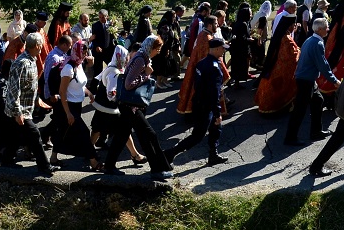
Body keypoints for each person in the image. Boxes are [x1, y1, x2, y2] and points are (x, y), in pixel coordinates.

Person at [103, 36, 174, 180]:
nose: (158, 52)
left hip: (128, 106)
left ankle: (109, 166)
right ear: (151, 48)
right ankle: (158, 169)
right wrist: (146, 76)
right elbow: (129, 83)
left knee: (122, 136)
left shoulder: (141, 57)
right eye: (157, 48)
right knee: (149, 135)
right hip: (132, 106)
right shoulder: (141, 59)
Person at [164, 38, 230, 166]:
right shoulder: (215, 68)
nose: (224, 50)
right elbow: (214, 93)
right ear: (216, 49)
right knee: (198, 136)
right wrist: (217, 113)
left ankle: (213, 155)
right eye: (222, 48)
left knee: (216, 129)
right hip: (207, 106)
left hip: (199, 102)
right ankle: (170, 153)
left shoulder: (201, 63)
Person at [3, 33, 61, 176]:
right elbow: (13, 89)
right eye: (41, 45)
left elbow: (31, 85)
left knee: (17, 136)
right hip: (20, 110)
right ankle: (44, 167)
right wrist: (18, 112)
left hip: (27, 108)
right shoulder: (21, 63)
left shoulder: (32, 60)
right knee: (35, 134)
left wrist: (38, 100)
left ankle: (6, 160)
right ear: (36, 46)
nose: (42, 47)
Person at [286, 18, 341, 145]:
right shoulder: (317, 43)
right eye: (326, 27)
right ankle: (290, 138)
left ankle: (316, 131)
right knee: (300, 110)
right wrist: (334, 80)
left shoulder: (310, 39)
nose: (328, 29)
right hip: (306, 79)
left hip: (307, 78)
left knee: (318, 100)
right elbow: (323, 65)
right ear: (320, 29)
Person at [49, 40, 101, 171]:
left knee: (62, 131)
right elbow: (62, 91)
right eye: (82, 52)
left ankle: (53, 158)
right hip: (68, 106)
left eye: (85, 52)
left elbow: (80, 84)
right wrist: (68, 113)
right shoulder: (68, 68)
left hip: (77, 105)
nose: (84, 55)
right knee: (84, 132)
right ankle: (94, 161)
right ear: (76, 51)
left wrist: (89, 93)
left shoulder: (79, 64)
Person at [255, 16, 300, 115]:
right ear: (289, 26)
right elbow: (291, 56)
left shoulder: (281, 35)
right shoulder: (286, 38)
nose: (295, 26)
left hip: (274, 65)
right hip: (282, 67)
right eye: (294, 25)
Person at [229, 6, 253, 84]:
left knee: (236, 66)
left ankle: (236, 83)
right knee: (240, 66)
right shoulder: (243, 24)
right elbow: (242, 38)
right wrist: (249, 39)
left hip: (235, 48)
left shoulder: (236, 23)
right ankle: (237, 84)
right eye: (250, 14)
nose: (251, 16)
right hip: (241, 49)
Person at [90, 10, 112, 76]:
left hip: (108, 51)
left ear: (107, 17)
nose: (101, 19)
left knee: (111, 67)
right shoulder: (95, 25)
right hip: (98, 51)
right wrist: (97, 46)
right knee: (98, 70)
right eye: (100, 17)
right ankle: (94, 85)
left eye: (103, 17)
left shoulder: (111, 25)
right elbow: (94, 38)